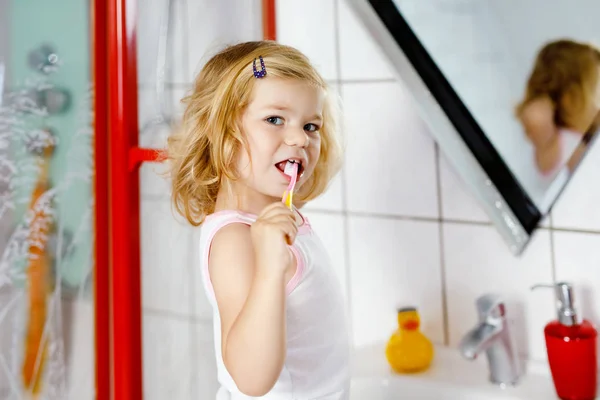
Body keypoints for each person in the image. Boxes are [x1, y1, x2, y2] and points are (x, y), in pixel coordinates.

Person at [167, 41, 350, 399]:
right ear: (222, 133)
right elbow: (252, 379)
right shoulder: (237, 239)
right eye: (275, 120)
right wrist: (269, 266)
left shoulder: (272, 221)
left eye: (311, 125)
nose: (299, 138)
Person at [515, 39, 600, 175]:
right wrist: (545, 90)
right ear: (571, 96)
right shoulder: (555, 142)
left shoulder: (585, 135)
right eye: (594, 91)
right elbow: (535, 115)